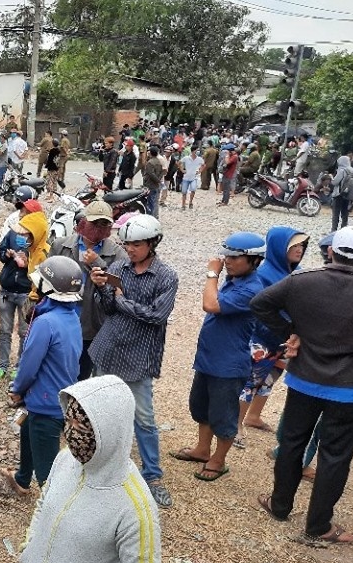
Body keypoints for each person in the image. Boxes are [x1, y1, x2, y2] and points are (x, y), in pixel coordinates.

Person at [251, 226, 353, 544]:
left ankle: (280, 505)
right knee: (335, 456)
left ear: (330, 251)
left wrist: (291, 331)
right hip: (351, 388)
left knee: (292, 444)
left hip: (304, 380)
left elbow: (260, 304)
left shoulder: (302, 281)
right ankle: (319, 526)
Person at [19, 375, 161, 563]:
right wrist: (30, 548)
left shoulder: (136, 507)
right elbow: (44, 502)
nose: (70, 434)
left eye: (81, 426)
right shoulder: (66, 459)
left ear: (110, 429)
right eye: (68, 422)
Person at [89, 214, 178, 509]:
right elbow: (108, 307)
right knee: (101, 408)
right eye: (127, 245)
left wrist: (121, 299)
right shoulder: (118, 266)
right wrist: (102, 287)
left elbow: (157, 316)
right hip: (109, 347)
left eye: (136, 245)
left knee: (144, 418)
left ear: (153, 243)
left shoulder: (166, 276)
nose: (130, 250)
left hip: (139, 354)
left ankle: (152, 475)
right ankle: (98, 460)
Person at [171, 232, 266, 483]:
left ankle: (218, 460)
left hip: (228, 365)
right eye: (227, 256)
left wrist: (212, 273)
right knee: (201, 407)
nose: (228, 261)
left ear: (254, 260)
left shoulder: (252, 289)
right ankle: (203, 449)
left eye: (235, 257)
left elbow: (211, 305)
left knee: (224, 415)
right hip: (210, 359)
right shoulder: (235, 281)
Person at [8, 256, 83, 494]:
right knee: (28, 430)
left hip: (45, 402)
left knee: (47, 472)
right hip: (61, 397)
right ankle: (21, 478)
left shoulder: (45, 323)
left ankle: (54, 513)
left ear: (46, 288)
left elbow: (29, 365)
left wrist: (17, 389)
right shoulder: (71, 317)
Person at [237, 228, 308, 443]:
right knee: (251, 382)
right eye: (293, 246)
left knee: (270, 380)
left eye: (302, 245)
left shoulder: (297, 272)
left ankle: (254, 416)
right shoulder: (264, 274)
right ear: (280, 248)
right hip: (263, 338)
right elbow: (258, 311)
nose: (299, 249)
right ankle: (236, 424)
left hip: (285, 339)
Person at [49, 199, 124, 381]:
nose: (98, 228)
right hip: (59, 321)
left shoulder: (117, 253)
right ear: (84, 222)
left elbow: (121, 286)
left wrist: (98, 263)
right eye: (94, 223)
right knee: (56, 372)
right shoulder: (61, 245)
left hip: (91, 325)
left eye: (104, 223)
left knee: (81, 376)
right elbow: (47, 277)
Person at [0, 208, 49, 379]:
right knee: (5, 330)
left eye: (26, 213)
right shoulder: (13, 234)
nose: (22, 215)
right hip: (7, 290)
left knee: (24, 332)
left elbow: (43, 280)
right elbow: (0, 252)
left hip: (26, 294)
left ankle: (20, 365)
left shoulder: (42, 250)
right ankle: (2, 364)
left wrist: (27, 264)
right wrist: (7, 254)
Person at [329, 155, 353, 231]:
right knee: (345, 212)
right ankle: (344, 229)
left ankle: (334, 230)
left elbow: (335, 182)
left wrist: (331, 177)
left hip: (339, 194)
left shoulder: (342, 170)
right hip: (348, 194)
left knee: (336, 213)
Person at [179, 145, 205, 210]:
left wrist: (200, 171)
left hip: (194, 177)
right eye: (197, 150)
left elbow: (203, 165)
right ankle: (183, 204)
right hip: (186, 177)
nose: (198, 151)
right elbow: (179, 163)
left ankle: (190, 202)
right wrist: (182, 170)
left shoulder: (199, 159)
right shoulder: (186, 158)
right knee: (184, 192)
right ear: (193, 151)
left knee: (193, 189)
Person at [142, 146, 164, 216]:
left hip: (149, 184)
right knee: (153, 201)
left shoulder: (150, 162)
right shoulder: (158, 161)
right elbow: (162, 172)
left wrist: (157, 180)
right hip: (155, 185)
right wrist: (159, 179)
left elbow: (151, 173)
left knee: (150, 201)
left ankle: (150, 215)